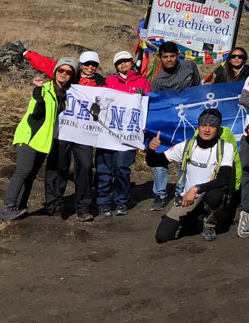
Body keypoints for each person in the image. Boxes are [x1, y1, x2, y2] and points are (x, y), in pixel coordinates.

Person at [15, 47, 105, 221]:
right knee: (57, 168)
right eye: (87, 64)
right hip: (61, 130)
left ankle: (84, 209)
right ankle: (54, 208)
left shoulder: (101, 83)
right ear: (81, 65)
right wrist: (27, 53)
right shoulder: (70, 74)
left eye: (94, 64)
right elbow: (49, 64)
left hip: (84, 133)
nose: (90, 67)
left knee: (85, 168)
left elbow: (115, 100)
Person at [1, 58, 78, 221]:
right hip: (30, 137)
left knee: (30, 175)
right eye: (61, 70)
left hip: (43, 142)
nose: (64, 74)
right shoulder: (44, 89)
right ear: (55, 71)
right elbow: (35, 112)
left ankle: (20, 207)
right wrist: (37, 92)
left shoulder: (68, 94)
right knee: (22, 172)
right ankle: (8, 208)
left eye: (68, 72)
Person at [150, 108, 235, 243]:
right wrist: (151, 150)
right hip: (188, 197)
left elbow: (223, 179)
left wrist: (196, 188)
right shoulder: (187, 145)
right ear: (198, 126)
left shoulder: (226, 147)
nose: (207, 130)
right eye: (203, 125)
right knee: (162, 237)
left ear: (217, 129)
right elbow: (154, 161)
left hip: (207, 193)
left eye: (212, 126)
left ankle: (210, 224)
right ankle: (197, 218)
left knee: (216, 195)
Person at [148, 41, 202, 210]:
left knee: (186, 156)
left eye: (172, 56)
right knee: (161, 157)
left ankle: (181, 191)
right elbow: (155, 106)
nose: (169, 60)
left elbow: (198, 89)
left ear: (178, 54)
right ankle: (160, 194)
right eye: (165, 57)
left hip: (189, 120)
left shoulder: (190, 67)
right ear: (160, 58)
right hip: (166, 123)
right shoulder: (158, 80)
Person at [96, 51, 150, 218]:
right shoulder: (109, 81)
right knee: (104, 168)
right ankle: (103, 201)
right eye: (119, 62)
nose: (123, 64)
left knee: (121, 167)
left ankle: (121, 201)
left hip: (128, 134)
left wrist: (144, 126)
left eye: (125, 61)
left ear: (132, 62)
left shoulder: (143, 82)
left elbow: (147, 106)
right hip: (108, 132)